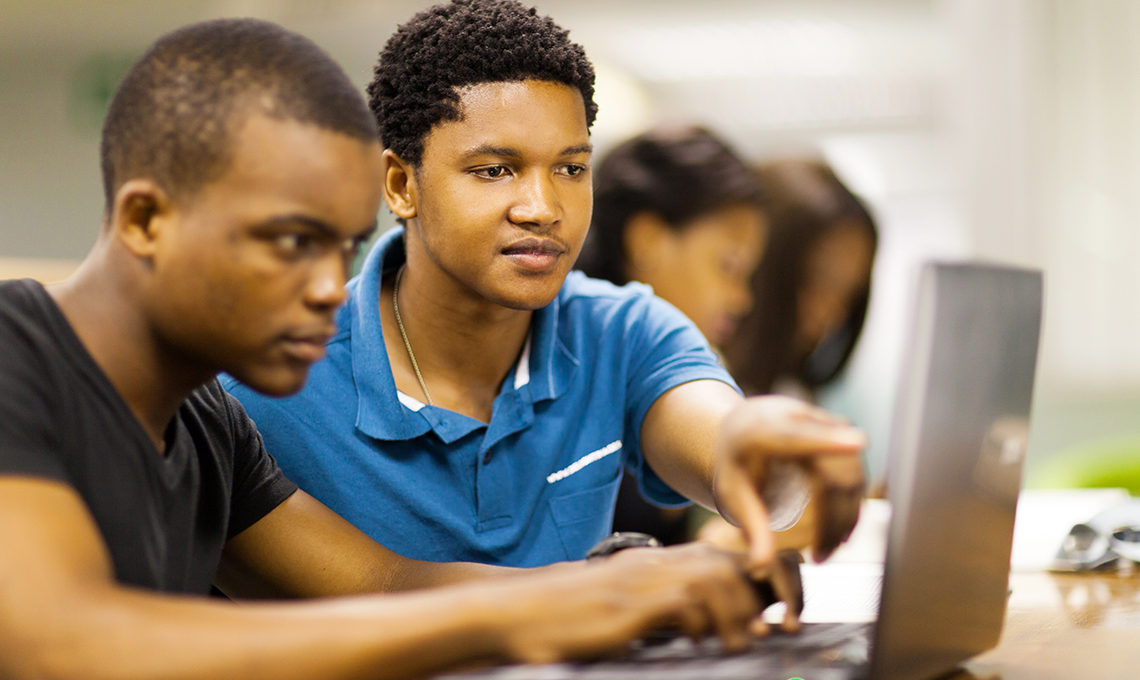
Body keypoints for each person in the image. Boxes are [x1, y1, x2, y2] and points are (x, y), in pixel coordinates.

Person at [0, 18, 786, 679]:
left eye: (339, 249)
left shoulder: (209, 426)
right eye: (291, 241)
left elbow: (377, 581)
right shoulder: (15, 354)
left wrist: (595, 592)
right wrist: (556, 605)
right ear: (144, 222)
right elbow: (63, 642)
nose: (324, 286)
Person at [224, 0, 865, 583]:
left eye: (570, 168)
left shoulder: (625, 331)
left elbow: (728, 451)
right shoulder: (260, 383)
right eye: (495, 170)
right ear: (400, 185)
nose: (542, 207)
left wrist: (771, 457)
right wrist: (617, 594)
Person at [576, 124, 767, 544]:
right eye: (728, 266)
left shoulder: (693, 369)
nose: (741, 300)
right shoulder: (575, 365)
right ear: (647, 240)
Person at [724, 159, 878, 400]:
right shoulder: (693, 382)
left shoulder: (793, 393)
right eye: (818, 282)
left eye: (849, 295)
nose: (832, 315)